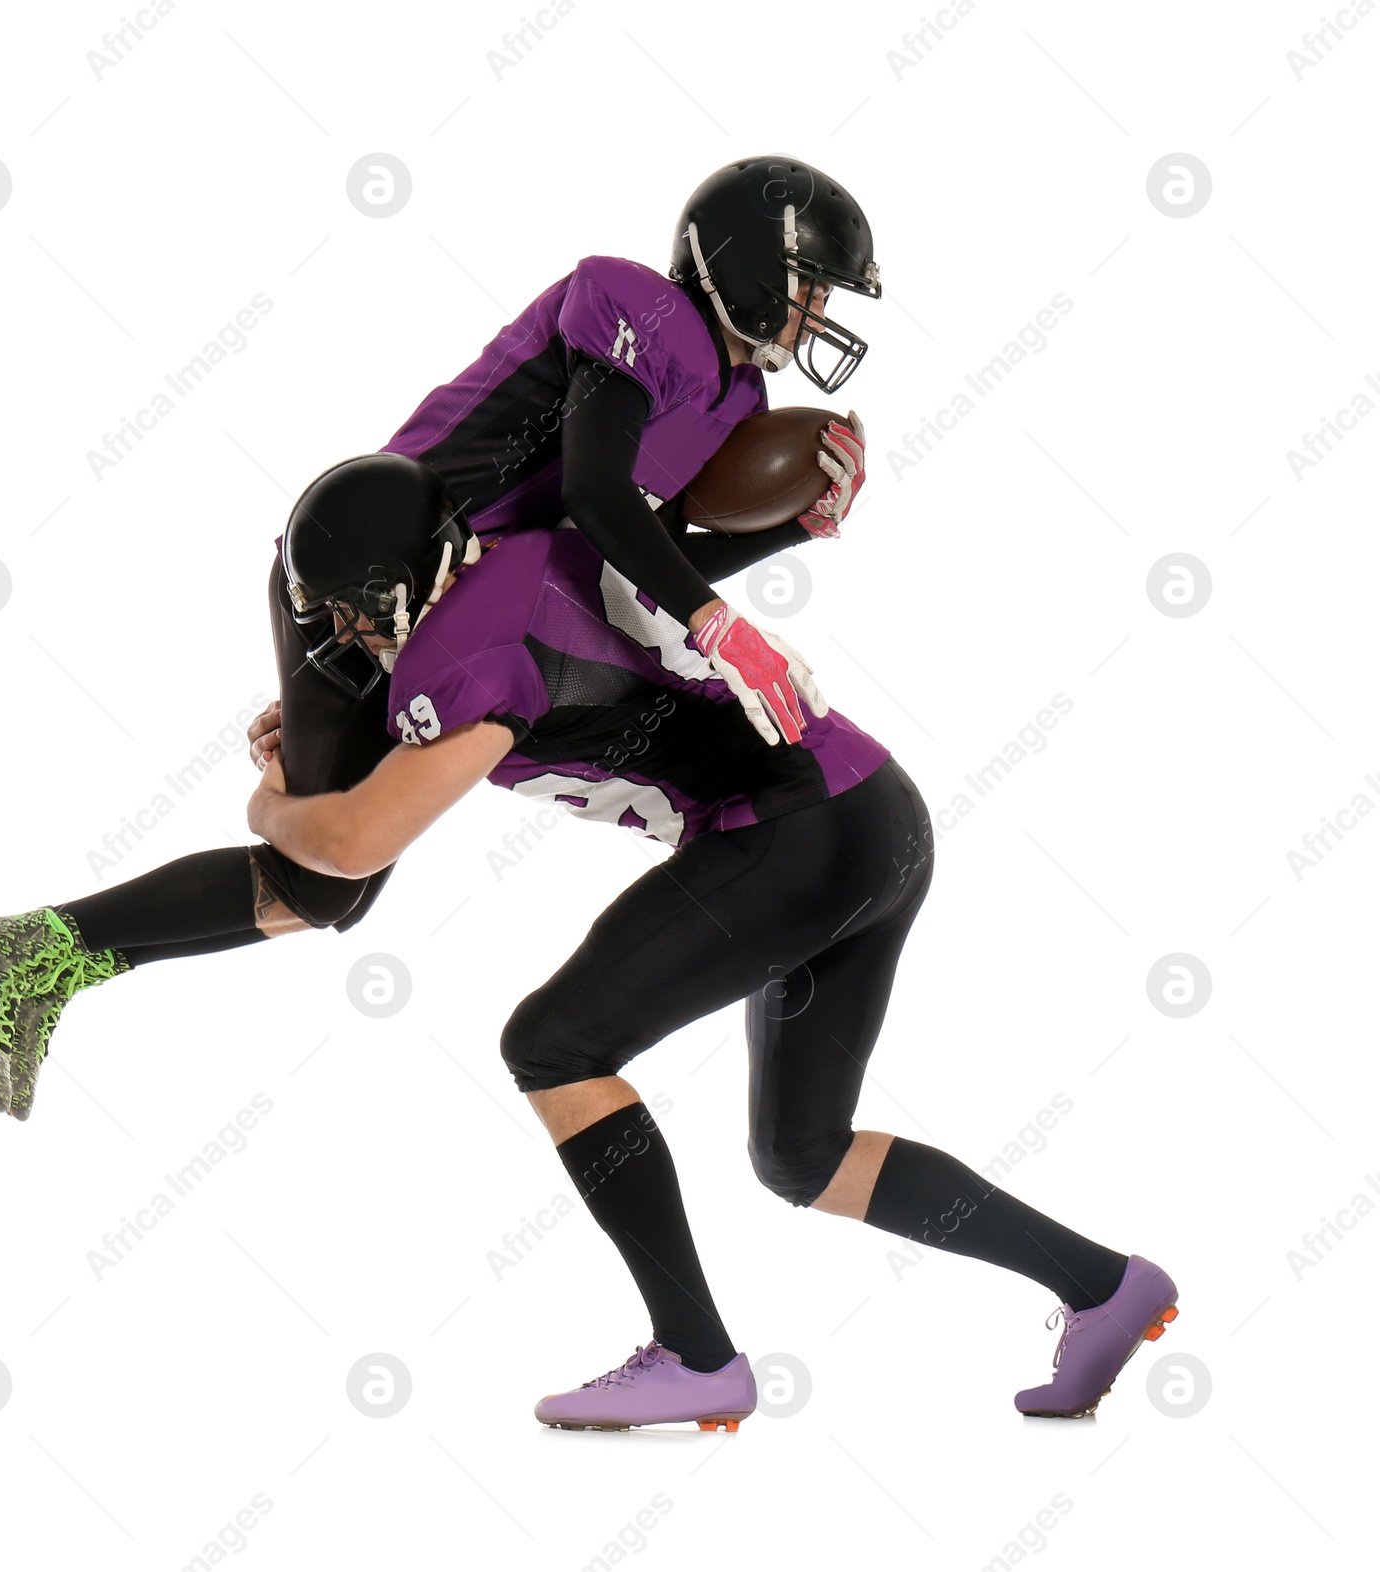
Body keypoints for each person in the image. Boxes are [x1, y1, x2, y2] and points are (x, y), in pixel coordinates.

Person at [0, 154, 875, 1112]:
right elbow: (594, 496)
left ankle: (42, 959)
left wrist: (786, 533)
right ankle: (30, 953)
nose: (816, 314)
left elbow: (632, 555)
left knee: (332, 882)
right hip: (370, 574)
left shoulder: (737, 403)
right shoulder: (639, 305)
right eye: (812, 287)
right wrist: (719, 630)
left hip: (471, 612)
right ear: (749, 267)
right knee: (331, 880)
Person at [269, 455, 1179, 1425]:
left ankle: (695, 1356)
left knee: (552, 1044)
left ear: (431, 570)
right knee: (802, 1154)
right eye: (326, 611)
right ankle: (1101, 1285)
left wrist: (272, 797)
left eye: (364, 606)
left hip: (787, 832)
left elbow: (351, 843)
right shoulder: (534, 550)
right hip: (873, 814)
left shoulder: (457, 655)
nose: (346, 632)